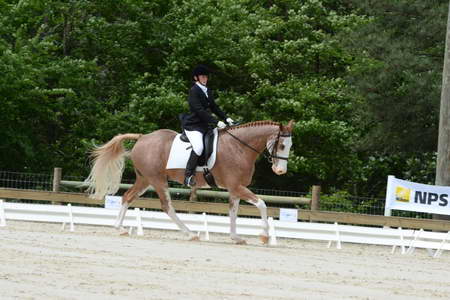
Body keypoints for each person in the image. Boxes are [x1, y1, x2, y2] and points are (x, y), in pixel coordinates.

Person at [181, 64, 234, 187]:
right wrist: (216, 122)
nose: (205, 79)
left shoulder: (207, 90)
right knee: (198, 147)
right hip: (194, 126)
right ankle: (188, 176)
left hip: (205, 126)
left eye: (206, 77)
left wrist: (226, 118)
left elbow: (214, 107)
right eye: (202, 77)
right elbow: (199, 111)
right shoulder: (194, 91)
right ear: (196, 78)